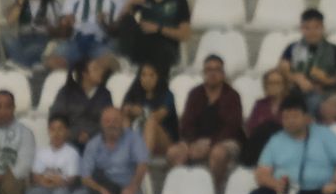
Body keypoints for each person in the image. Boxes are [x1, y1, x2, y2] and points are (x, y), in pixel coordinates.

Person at [246, 94, 336, 194]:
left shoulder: (324, 134)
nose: (290, 121)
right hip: (286, 192)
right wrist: (275, 184)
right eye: (286, 118)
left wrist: (335, 183)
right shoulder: (276, 140)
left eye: (294, 116)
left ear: (307, 118)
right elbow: (262, 173)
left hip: (319, 191)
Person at [68, 106, 147, 194]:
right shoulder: (93, 144)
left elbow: (142, 165)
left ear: (122, 121)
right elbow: (85, 176)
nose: (112, 124)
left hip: (128, 186)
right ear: (101, 123)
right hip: (102, 188)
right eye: (107, 121)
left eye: (116, 120)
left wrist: (133, 187)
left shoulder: (133, 138)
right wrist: (102, 190)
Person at [166, 55, 244, 185]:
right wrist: (192, 144)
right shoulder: (195, 94)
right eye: (209, 70)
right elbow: (187, 123)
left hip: (225, 140)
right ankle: (182, 188)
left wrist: (210, 144)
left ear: (223, 73)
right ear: (204, 73)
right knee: (173, 152)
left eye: (217, 70)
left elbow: (232, 126)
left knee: (218, 153)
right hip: (196, 140)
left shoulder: (232, 96)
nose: (213, 73)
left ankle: (212, 192)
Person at [116, 0, 189, 75]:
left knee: (157, 46)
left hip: (167, 46)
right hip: (143, 44)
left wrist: (158, 29)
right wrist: (130, 3)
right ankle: (124, 61)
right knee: (127, 20)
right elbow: (120, 23)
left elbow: (185, 35)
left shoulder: (179, 1)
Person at [54, 0, 124, 71]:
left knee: (111, 64)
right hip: (76, 41)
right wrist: (66, 24)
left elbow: (117, 32)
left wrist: (104, 24)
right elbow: (64, 32)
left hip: (101, 42)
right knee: (52, 61)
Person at [279, 8, 336, 119]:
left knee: (314, 99)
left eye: (316, 28)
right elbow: (283, 68)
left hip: (324, 93)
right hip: (296, 90)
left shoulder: (334, 50)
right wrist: (296, 78)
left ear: (323, 28)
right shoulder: (293, 48)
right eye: (307, 28)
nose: (312, 32)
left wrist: (326, 80)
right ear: (301, 29)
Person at [2, 0, 63, 69]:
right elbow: (10, 20)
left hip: (41, 39)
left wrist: (48, 25)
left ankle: (17, 64)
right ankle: (26, 66)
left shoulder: (51, 4)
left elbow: (58, 30)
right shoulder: (19, 2)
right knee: (6, 38)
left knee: (33, 49)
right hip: (22, 39)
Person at [51, 55, 116, 150]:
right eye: (95, 69)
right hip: (69, 142)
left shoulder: (105, 94)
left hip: (98, 143)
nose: (101, 72)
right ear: (84, 73)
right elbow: (57, 117)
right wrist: (75, 134)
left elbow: (109, 120)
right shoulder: (66, 92)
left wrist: (89, 134)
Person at [23, 113, 80, 194]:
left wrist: (56, 181)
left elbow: (71, 179)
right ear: (48, 131)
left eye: (60, 129)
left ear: (67, 132)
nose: (56, 133)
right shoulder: (42, 151)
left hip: (62, 187)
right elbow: (36, 175)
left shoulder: (72, 153)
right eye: (53, 129)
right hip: (43, 186)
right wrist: (43, 181)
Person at [120, 62, 176, 157]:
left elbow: (159, 116)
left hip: (163, 140)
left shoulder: (167, 95)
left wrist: (142, 112)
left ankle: (143, 162)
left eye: (151, 75)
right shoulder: (133, 93)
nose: (147, 79)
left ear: (158, 77)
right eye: (143, 75)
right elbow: (123, 110)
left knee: (151, 123)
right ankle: (124, 156)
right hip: (137, 134)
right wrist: (129, 109)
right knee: (124, 119)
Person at [242, 66, 288, 167]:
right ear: (265, 86)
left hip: (283, 148)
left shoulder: (290, 105)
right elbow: (251, 128)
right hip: (260, 148)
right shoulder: (260, 104)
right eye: (270, 83)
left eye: (277, 83)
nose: (273, 86)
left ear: (284, 86)